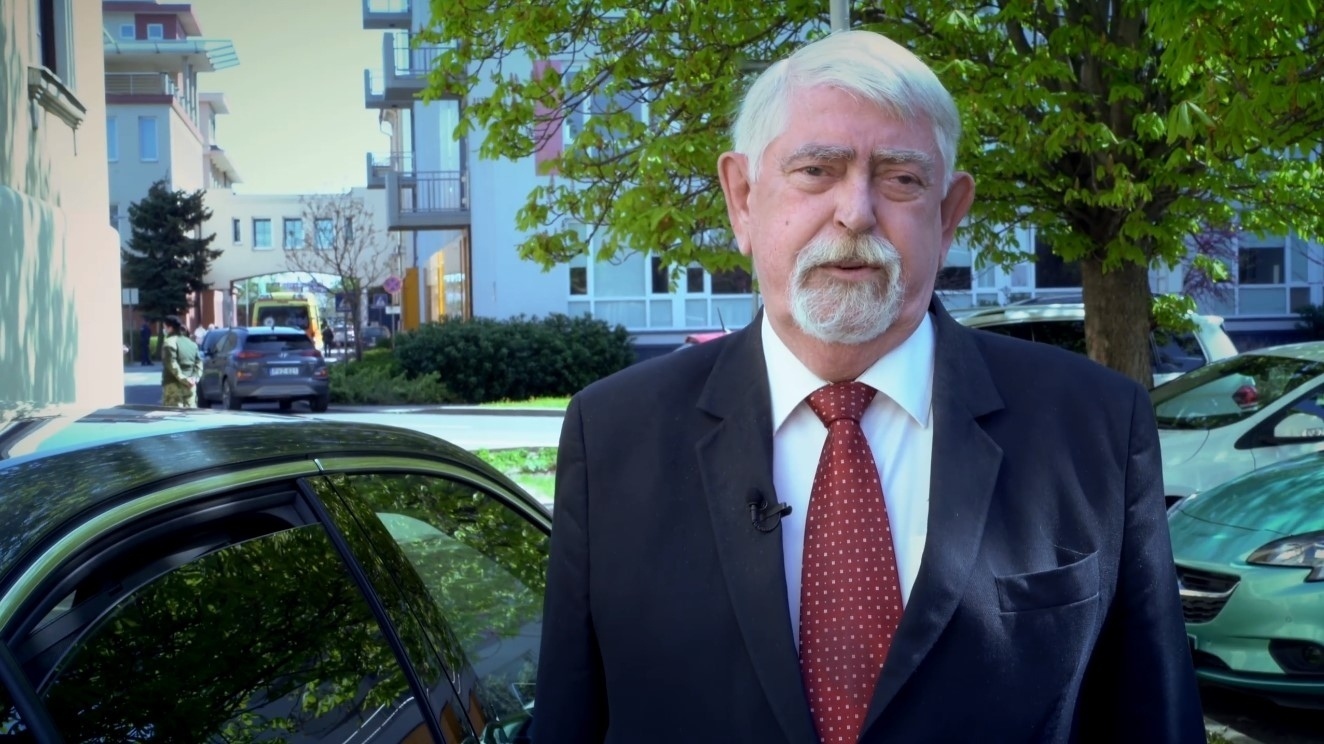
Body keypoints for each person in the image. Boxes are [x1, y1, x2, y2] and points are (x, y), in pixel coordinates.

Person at [533, 30, 1203, 744]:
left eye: (901, 178)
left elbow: (1154, 721)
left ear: (948, 214)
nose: (855, 211)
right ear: (742, 199)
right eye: (816, 170)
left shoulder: (1094, 427)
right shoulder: (613, 438)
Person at [160, 315, 201, 407]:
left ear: (170, 328)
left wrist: (184, 379)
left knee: (173, 414)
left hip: (173, 386)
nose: (164, 330)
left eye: (164, 327)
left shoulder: (169, 343)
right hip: (190, 386)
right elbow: (198, 362)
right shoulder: (191, 343)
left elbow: (172, 364)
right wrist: (195, 378)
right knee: (190, 413)